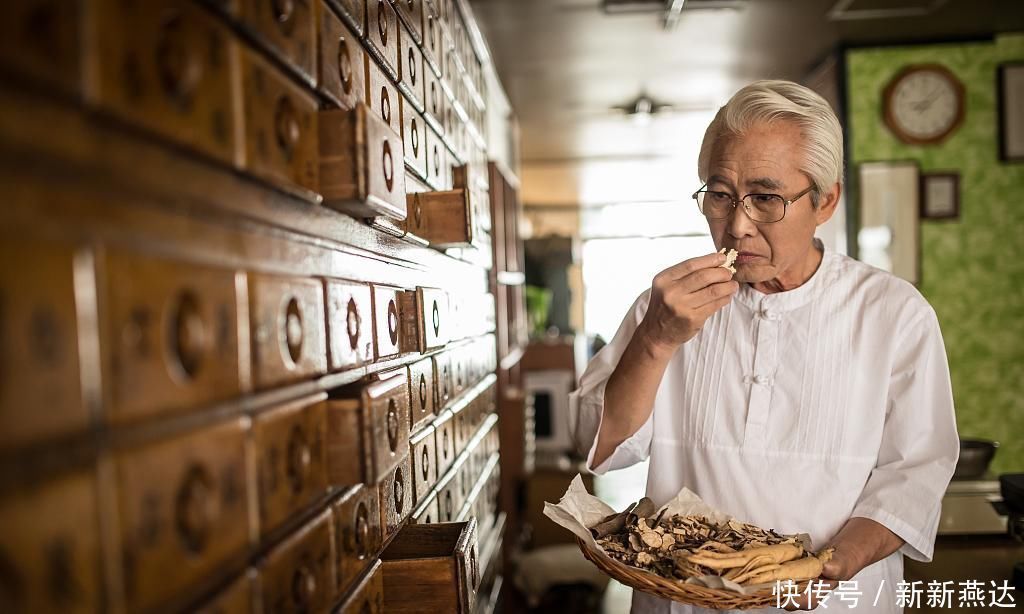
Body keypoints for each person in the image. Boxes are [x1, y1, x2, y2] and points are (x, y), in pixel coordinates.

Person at [568, 80, 959, 613]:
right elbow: (597, 449)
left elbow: (916, 470)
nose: (736, 225)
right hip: (684, 602)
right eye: (720, 195)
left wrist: (836, 563)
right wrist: (656, 341)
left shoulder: (893, 313)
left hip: (838, 600)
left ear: (826, 200)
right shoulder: (666, 306)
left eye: (767, 198)